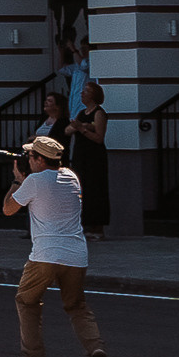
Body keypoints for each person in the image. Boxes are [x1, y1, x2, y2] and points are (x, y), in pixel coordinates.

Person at [1, 132, 107, 357]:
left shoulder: (34, 181)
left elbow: (8, 209)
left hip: (45, 254)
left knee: (27, 301)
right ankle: (96, 348)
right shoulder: (71, 177)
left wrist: (17, 181)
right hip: (76, 254)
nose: (28, 159)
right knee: (77, 305)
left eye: (30, 156)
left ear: (39, 159)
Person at [67, 81, 111, 240]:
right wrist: (84, 125)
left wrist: (82, 128)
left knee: (95, 189)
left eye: (86, 91)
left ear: (93, 95)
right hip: (81, 156)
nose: (82, 93)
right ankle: (85, 224)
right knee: (81, 189)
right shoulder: (81, 113)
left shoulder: (99, 113)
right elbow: (68, 130)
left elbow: (99, 137)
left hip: (94, 157)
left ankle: (98, 227)